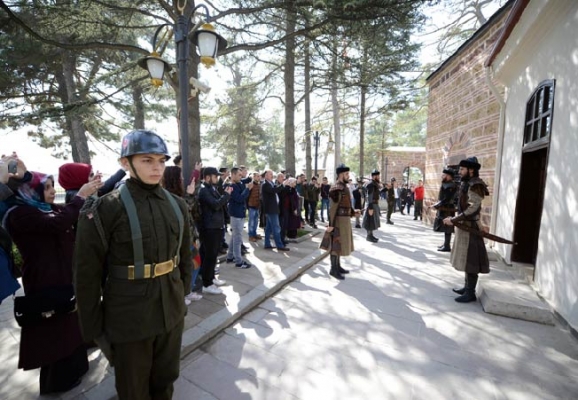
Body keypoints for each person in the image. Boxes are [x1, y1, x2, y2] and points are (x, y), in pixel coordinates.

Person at [74, 130, 192, 400]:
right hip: (130, 318)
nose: (157, 167)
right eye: (147, 160)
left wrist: (181, 294)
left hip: (171, 312)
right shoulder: (105, 209)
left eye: (161, 161)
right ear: (125, 163)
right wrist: (92, 329)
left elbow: (184, 257)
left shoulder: (177, 206)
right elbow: (86, 274)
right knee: (133, 389)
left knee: (165, 381)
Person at [7, 169, 100, 395]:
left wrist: (89, 191)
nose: (51, 192)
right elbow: (57, 224)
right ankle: (57, 382)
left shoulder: (46, 209)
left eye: (51, 187)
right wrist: (80, 196)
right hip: (44, 280)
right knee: (54, 332)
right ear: (30, 191)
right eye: (46, 188)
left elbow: (70, 214)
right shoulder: (19, 214)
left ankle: (77, 368)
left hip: (64, 276)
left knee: (70, 325)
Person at [443, 156, 490, 303]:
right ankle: (467, 287)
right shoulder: (466, 183)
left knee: (471, 260)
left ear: (471, 170)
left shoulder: (476, 184)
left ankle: (470, 293)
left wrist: (454, 219)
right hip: (464, 225)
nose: (459, 171)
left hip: (471, 227)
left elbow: (474, 207)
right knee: (465, 258)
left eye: (462, 169)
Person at [161, 165, 203, 303]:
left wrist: (196, 172)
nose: (182, 179)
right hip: (179, 240)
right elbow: (184, 209)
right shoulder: (166, 196)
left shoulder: (178, 194)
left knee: (195, 263)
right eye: (180, 177)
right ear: (174, 179)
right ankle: (183, 293)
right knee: (187, 266)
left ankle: (187, 290)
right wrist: (190, 195)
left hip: (189, 238)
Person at [198, 167, 233, 294]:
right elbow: (216, 204)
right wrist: (227, 195)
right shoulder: (203, 190)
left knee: (213, 256)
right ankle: (207, 284)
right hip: (210, 228)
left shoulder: (212, 188)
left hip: (217, 226)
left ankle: (211, 278)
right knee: (209, 256)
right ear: (207, 177)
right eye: (215, 176)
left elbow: (220, 203)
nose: (217, 178)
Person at [327, 164, 359, 280]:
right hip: (338, 221)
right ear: (341, 175)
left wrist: (353, 212)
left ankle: (338, 266)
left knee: (340, 245)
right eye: (346, 174)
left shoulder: (344, 186)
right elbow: (333, 208)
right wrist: (331, 224)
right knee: (335, 245)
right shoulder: (336, 188)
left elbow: (346, 204)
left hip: (344, 220)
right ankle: (333, 269)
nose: (348, 176)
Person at [58, 162, 126, 203]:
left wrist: (123, 169)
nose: (94, 178)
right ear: (79, 178)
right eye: (91, 175)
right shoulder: (77, 197)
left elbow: (103, 188)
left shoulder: (78, 192)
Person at [225, 167, 253, 269]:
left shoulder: (239, 183)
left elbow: (244, 185)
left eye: (241, 175)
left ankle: (230, 256)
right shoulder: (231, 186)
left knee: (234, 236)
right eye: (239, 175)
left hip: (240, 214)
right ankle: (239, 261)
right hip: (235, 215)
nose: (241, 177)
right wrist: (247, 189)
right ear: (233, 175)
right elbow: (240, 198)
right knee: (237, 238)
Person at [261, 170, 289, 251]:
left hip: (273, 209)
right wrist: (283, 185)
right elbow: (274, 190)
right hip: (271, 209)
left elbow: (275, 190)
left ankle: (267, 244)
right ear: (266, 176)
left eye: (272, 174)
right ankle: (279, 245)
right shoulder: (265, 184)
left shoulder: (271, 183)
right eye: (270, 174)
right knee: (276, 228)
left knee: (269, 228)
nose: (272, 176)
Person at [433, 168, 457, 252]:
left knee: (447, 227)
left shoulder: (450, 185)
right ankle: (445, 244)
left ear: (449, 176)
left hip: (448, 208)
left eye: (444, 175)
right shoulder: (447, 184)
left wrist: (437, 205)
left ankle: (447, 246)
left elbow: (447, 199)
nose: (442, 176)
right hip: (445, 208)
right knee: (445, 226)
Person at [362, 170, 382, 242]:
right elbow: (369, 196)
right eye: (378, 176)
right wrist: (370, 207)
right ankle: (368, 236)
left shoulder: (374, 184)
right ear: (374, 176)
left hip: (374, 204)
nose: (379, 177)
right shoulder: (371, 184)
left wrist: (385, 189)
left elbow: (377, 193)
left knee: (373, 221)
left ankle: (371, 235)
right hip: (371, 204)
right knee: (370, 220)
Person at [247, 171, 262, 242]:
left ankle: (254, 234)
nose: (259, 177)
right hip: (251, 206)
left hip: (257, 206)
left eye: (259, 176)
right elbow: (247, 196)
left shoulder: (259, 185)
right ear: (254, 177)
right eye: (257, 176)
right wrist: (248, 205)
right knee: (251, 222)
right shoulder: (251, 185)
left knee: (256, 222)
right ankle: (250, 236)